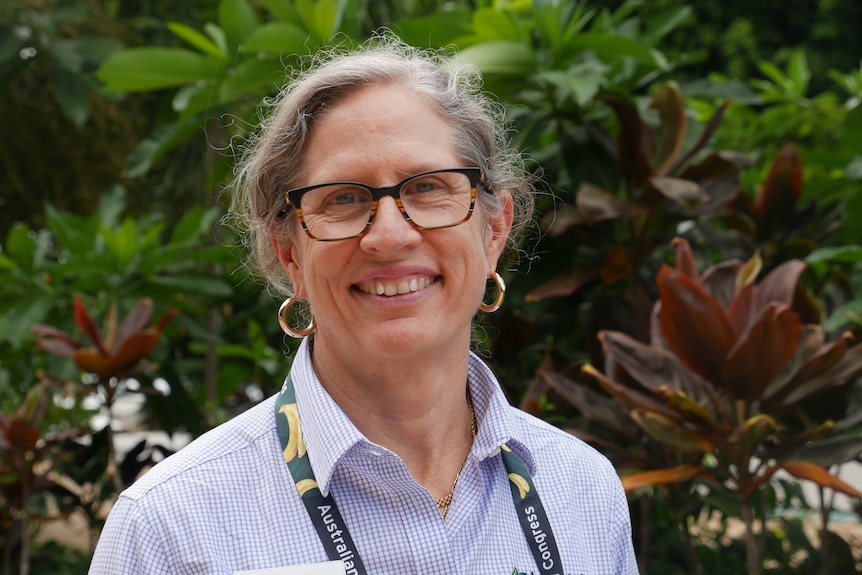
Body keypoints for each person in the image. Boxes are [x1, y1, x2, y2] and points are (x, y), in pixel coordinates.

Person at [89, 35, 638, 575]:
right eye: (343, 199)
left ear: (494, 228)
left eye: (428, 188)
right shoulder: (169, 527)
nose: (390, 236)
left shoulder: (582, 491)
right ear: (290, 255)